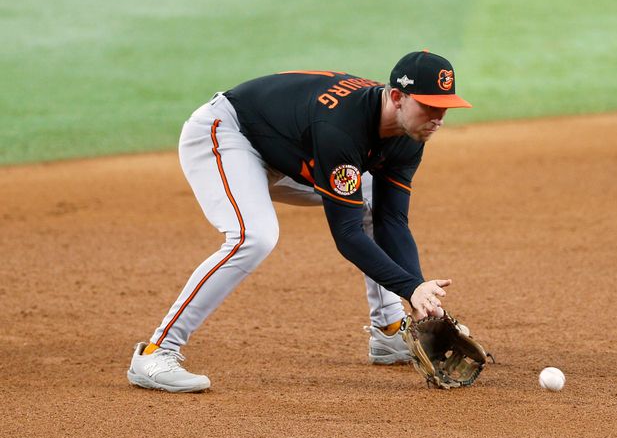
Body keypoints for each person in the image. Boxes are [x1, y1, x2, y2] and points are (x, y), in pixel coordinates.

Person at [127, 50, 472, 392]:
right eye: (429, 105)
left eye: (444, 107)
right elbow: (347, 235)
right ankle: (157, 352)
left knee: (369, 198)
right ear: (397, 97)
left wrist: (418, 296)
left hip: (291, 151)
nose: (438, 117)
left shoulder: (409, 135)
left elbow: (392, 220)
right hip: (229, 134)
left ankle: (389, 331)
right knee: (254, 236)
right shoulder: (342, 128)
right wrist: (410, 287)